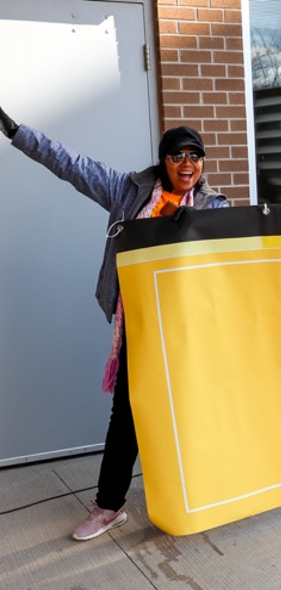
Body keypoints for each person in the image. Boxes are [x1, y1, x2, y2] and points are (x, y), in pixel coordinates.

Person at [0, 106, 229, 540]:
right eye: (177, 155)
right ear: (163, 161)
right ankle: (110, 505)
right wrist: (17, 132)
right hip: (139, 329)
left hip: (188, 334)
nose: (187, 164)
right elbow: (71, 164)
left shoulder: (215, 206)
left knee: (191, 413)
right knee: (125, 416)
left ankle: (199, 495)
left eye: (195, 156)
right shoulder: (129, 192)